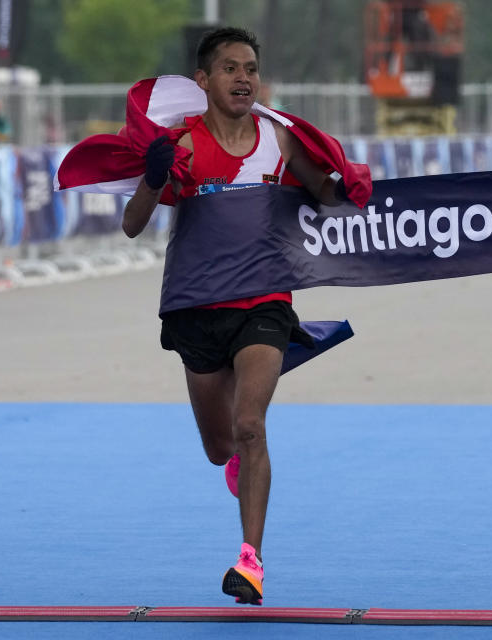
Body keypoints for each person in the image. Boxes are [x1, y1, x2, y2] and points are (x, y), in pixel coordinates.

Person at [121, 27, 349, 606]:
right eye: (229, 68)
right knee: (220, 447)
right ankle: (236, 465)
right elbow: (131, 224)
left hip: (265, 301)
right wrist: (153, 174)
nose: (243, 77)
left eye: (250, 67)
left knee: (251, 425)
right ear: (203, 81)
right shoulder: (185, 145)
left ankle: (251, 562)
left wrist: (339, 181)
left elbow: (328, 192)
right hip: (197, 306)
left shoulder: (278, 137)